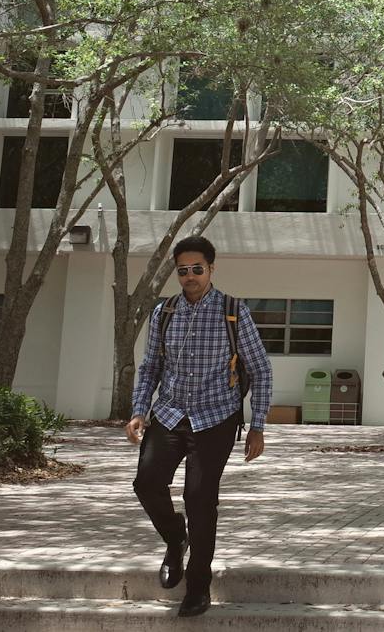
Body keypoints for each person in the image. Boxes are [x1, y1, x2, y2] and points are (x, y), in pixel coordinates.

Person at [127, 235, 274, 617]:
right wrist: (140, 410)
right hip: (170, 413)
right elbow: (151, 368)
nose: (190, 276)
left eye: (197, 269)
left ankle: (198, 586)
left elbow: (260, 370)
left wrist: (257, 425)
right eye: (183, 270)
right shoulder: (164, 313)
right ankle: (176, 539)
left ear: (211, 268)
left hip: (216, 419)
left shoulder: (233, 311)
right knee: (146, 482)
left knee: (200, 499)